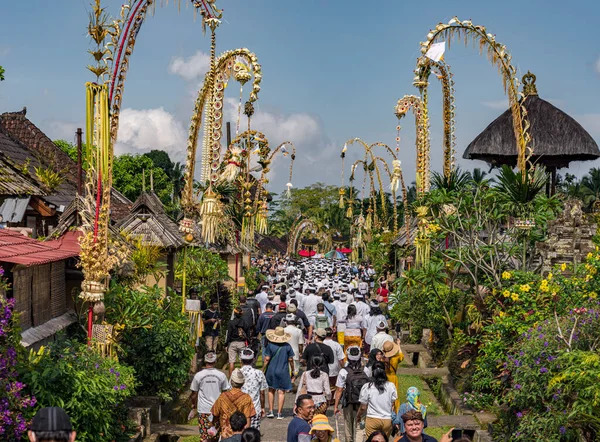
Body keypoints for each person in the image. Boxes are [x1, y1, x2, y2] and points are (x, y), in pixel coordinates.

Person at [189, 352, 231, 442]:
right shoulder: (221, 375)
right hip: (217, 410)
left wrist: (193, 406)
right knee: (215, 435)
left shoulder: (198, 375)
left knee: (204, 436)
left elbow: (194, 394)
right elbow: (226, 392)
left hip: (203, 410)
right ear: (215, 361)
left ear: (205, 361)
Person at [334, 346, 370, 442]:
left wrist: (336, 406)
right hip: (362, 403)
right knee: (360, 426)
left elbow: (339, 390)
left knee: (348, 426)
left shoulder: (344, 371)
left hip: (349, 402)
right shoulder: (365, 370)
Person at [356, 362, 398, 439]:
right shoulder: (391, 386)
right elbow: (392, 403)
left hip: (372, 419)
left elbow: (363, 407)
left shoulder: (367, 386)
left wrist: (358, 416)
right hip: (387, 420)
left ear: (372, 372)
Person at [211, 369, 256, 440]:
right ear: (243, 383)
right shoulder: (246, 398)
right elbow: (248, 420)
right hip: (240, 436)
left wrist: (214, 426)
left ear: (231, 382)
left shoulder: (222, 396)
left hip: (225, 435)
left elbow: (215, 414)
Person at [264, 326, 295, 419]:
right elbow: (290, 359)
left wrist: (263, 369)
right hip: (283, 370)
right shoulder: (287, 346)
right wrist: (293, 370)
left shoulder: (270, 345)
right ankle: (279, 413)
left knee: (271, 390)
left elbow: (267, 359)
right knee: (281, 392)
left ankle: (270, 411)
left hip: (271, 370)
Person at [239, 348, 268, 430]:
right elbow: (262, 392)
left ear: (240, 360)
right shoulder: (259, 373)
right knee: (253, 434)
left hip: (240, 409)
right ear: (253, 359)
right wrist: (262, 407)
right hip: (255, 408)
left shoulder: (237, 373)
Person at [226, 307, 252, 377]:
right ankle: (243, 378)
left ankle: (231, 379)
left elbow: (228, 334)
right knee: (242, 361)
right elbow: (248, 333)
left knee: (231, 362)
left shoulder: (231, 323)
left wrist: (226, 344)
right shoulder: (244, 322)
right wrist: (248, 342)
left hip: (232, 343)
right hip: (242, 343)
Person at [323, 327, 345, 396]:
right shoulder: (336, 344)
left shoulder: (321, 343)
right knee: (333, 385)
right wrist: (343, 368)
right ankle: (331, 399)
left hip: (322, 368)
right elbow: (341, 359)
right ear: (332, 335)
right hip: (334, 368)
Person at [382, 341, 403, 412]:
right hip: (393, 378)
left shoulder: (382, 359)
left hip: (384, 378)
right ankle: (396, 411)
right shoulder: (395, 359)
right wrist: (399, 344)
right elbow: (401, 355)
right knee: (395, 395)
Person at [283, 313, 304, 379]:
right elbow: (300, 344)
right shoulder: (299, 331)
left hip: (284, 353)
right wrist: (301, 352)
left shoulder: (283, 330)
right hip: (295, 353)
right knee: (295, 372)